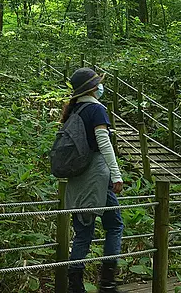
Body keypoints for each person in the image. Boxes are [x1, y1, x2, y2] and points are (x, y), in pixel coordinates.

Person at [61, 67, 124, 293]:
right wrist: (116, 174)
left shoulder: (74, 111)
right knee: (115, 226)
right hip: (97, 177)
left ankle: (74, 285)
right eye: (98, 83)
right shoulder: (96, 109)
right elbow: (103, 143)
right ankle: (107, 280)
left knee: (83, 233)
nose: (100, 87)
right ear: (92, 87)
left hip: (77, 178)